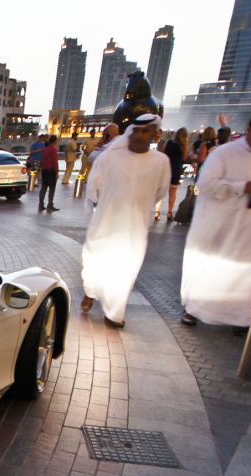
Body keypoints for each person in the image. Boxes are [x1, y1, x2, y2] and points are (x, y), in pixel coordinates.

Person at [180, 110, 251, 331]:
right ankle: (194, 309)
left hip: (250, 224)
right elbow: (207, 184)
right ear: (250, 130)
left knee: (243, 269)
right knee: (210, 266)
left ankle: (239, 316)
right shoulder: (224, 153)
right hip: (218, 222)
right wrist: (244, 187)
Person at [81, 114, 172, 328]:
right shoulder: (111, 156)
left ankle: (114, 312)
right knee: (96, 262)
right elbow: (95, 184)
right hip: (106, 221)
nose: (140, 135)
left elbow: (160, 192)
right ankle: (90, 291)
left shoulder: (161, 162)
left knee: (125, 269)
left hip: (135, 227)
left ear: (154, 133)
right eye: (137, 130)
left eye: (146, 131)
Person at [160, 127, 188, 222]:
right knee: (172, 192)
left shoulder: (168, 142)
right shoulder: (183, 145)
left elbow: (162, 153)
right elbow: (184, 157)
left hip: (166, 168)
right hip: (176, 170)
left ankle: (157, 211)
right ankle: (170, 212)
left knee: (160, 190)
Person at [39, 134, 60, 212]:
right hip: (51, 171)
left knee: (43, 187)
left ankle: (41, 204)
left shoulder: (45, 149)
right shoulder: (53, 150)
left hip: (44, 170)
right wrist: (57, 172)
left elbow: (42, 160)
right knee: (52, 188)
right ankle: (50, 205)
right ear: (55, 141)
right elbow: (55, 162)